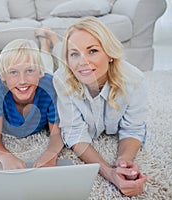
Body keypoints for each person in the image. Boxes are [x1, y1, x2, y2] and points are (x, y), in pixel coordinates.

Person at [49, 16, 148, 196]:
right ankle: (48, 39)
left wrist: (123, 163)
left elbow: (133, 129)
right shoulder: (61, 78)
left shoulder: (134, 79)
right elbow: (74, 133)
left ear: (110, 54)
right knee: (50, 57)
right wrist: (109, 173)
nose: (82, 62)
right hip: (58, 64)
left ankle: (53, 40)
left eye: (92, 50)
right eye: (74, 53)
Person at [0, 39, 64, 170]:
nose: (22, 81)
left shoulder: (50, 86)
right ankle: (43, 44)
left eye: (29, 70)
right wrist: (5, 157)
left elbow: (56, 134)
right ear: (3, 76)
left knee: (50, 68)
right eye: (13, 72)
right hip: (34, 79)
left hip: (45, 78)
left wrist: (50, 155)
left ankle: (45, 43)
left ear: (39, 73)